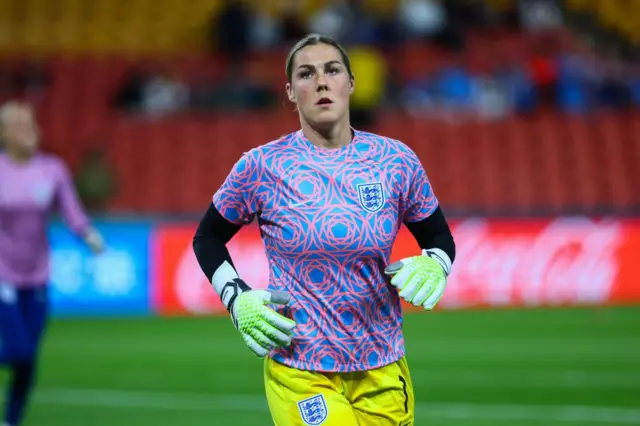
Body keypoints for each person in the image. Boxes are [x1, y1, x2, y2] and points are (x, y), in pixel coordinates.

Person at [193, 34, 455, 425]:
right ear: (290, 91)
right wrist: (236, 297)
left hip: (382, 365)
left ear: (350, 82)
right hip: (299, 367)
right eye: (306, 74)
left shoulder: (396, 160)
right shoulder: (261, 166)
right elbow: (207, 237)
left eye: (332, 70)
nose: (321, 82)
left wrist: (436, 262)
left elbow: (438, 236)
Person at [0, 101, 105, 426]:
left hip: (37, 274)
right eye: (18, 124)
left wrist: (87, 233)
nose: (27, 128)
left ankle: (11, 420)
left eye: (30, 122)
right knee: (19, 350)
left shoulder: (52, 169)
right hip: (2, 273)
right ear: (3, 133)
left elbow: (70, 208)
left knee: (29, 359)